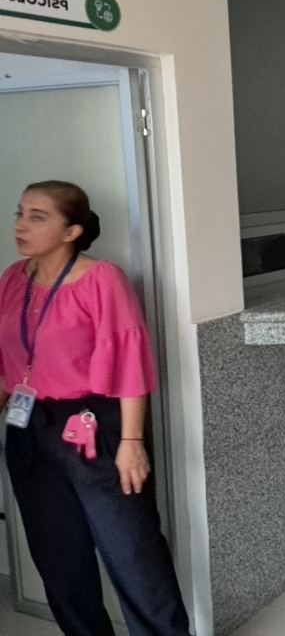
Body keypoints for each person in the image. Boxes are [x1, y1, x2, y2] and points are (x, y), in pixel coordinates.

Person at [0, 181, 190, 636]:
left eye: (37, 217)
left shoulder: (101, 279)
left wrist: (131, 441)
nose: (21, 225)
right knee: (58, 561)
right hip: (28, 429)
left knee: (133, 554)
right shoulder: (12, 279)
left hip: (94, 428)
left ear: (72, 231)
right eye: (20, 213)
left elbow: (129, 359)